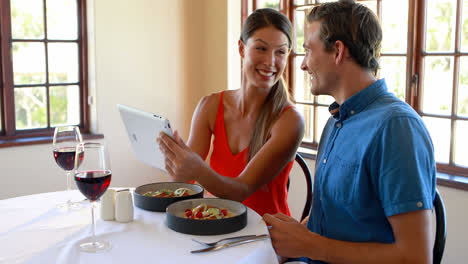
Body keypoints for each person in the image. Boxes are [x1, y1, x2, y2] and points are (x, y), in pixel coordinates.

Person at [263, 1, 436, 263]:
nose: (302, 65)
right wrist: (294, 238)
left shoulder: (397, 128)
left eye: (308, 50)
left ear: (338, 51)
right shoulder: (337, 120)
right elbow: (335, 219)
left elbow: (416, 257)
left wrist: (309, 245)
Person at [157, 8, 305, 217]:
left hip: (267, 236)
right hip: (216, 225)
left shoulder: (290, 121)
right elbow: (184, 183)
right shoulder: (210, 106)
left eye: (280, 52)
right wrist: (176, 165)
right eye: (261, 48)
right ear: (242, 48)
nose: (271, 61)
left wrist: (196, 168)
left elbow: (240, 190)